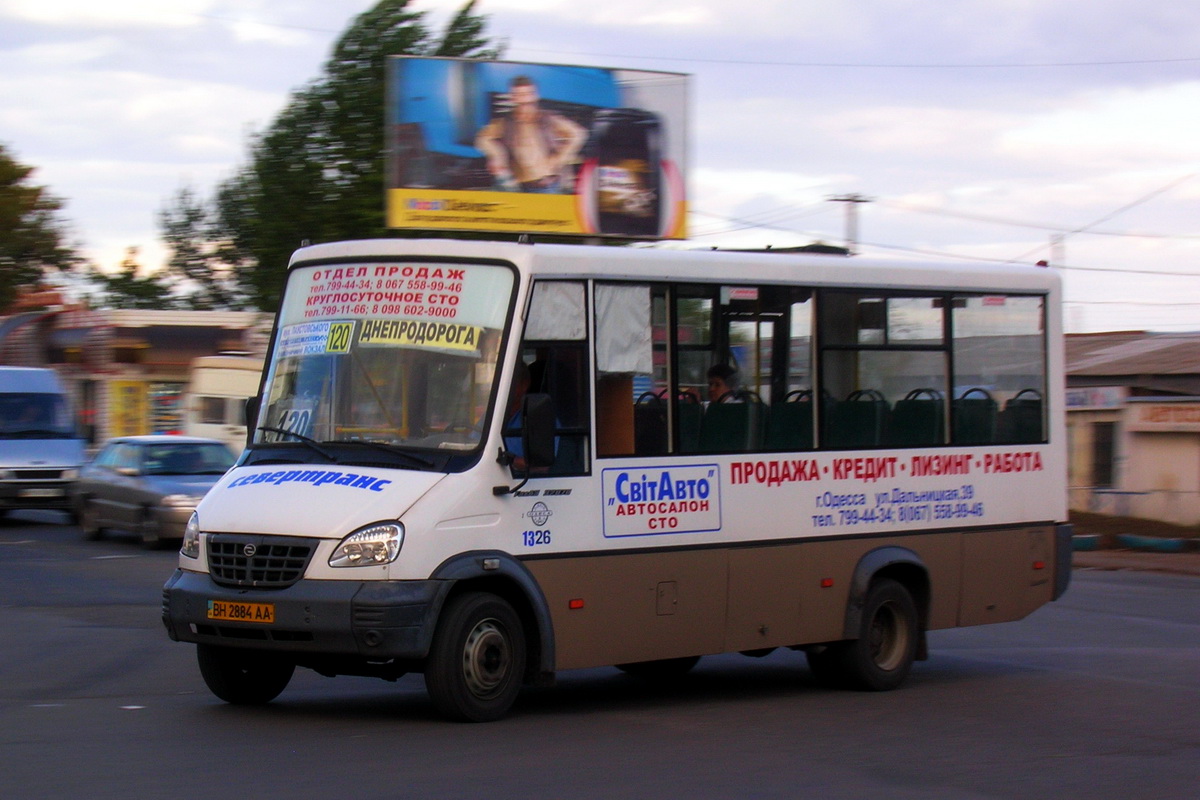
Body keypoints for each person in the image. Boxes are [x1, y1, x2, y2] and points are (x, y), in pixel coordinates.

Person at [475, 75, 587, 194]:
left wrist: (559, 159)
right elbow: (482, 139)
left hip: (546, 186)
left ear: (535, 95)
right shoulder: (504, 123)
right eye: (519, 95)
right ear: (513, 98)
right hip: (518, 187)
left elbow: (578, 134)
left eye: (528, 94)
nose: (525, 99)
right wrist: (497, 155)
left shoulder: (549, 119)